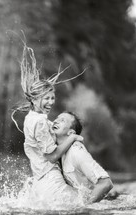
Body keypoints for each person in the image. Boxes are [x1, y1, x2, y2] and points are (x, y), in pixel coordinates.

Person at [12, 44, 84, 206]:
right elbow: (52, 156)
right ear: (35, 99)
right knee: (86, 205)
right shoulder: (40, 121)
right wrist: (72, 138)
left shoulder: (31, 118)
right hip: (51, 181)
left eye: (52, 98)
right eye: (46, 98)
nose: (50, 102)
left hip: (40, 182)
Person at [52, 112, 113, 203]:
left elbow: (106, 183)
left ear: (71, 132)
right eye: (56, 118)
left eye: (62, 120)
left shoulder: (77, 152)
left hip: (93, 209)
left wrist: (85, 207)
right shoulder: (57, 151)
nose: (56, 121)